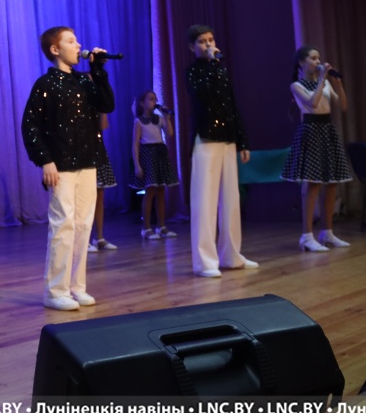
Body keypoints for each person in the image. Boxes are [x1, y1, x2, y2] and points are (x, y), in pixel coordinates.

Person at [22, 27, 115, 311]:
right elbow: (30, 125)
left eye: (77, 41)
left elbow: (107, 104)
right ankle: (55, 290)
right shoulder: (45, 84)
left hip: (87, 160)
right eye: (71, 41)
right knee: (63, 223)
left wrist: (98, 70)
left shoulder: (84, 81)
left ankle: (77, 287)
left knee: (83, 224)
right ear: (55, 49)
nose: (78, 45)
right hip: (60, 164)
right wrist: (45, 160)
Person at [185, 24, 258, 278]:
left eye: (211, 40)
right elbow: (203, 94)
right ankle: (205, 261)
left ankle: (231, 255)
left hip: (227, 138)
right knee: (205, 201)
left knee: (230, 200)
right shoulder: (193, 72)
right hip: (206, 137)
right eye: (202, 41)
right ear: (192, 47)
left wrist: (242, 141)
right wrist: (213, 65)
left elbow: (231, 105)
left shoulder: (221, 70)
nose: (208, 44)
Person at [280, 45, 353, 251]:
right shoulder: (296, 86)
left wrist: (338, 85)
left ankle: (327, 233)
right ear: (301, 63)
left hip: (327, 129)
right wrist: (322, 80)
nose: (318, 62)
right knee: (312, 183)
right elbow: (312, 104)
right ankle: (306, 236)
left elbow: (343, 106)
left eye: (319, 58)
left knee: (331, 182)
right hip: (311, 130)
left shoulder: (326, 83)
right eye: (313, 58)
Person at [129, 90, 179, 240]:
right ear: (142, 103)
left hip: (160, 154)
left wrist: (167, 117)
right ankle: (146, 228)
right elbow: (135, 144)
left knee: (161, 191)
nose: (154, 102)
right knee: (149, 191)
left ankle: (161, 227)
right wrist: (137, 165)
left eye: (155, 99)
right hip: (147, 154)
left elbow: (170, 133)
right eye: (150, 99)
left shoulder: (159, 119)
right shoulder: (139, 121)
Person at [88, 113, 118, 252]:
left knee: (100, 194)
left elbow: (103, 125)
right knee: (84, 199)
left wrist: (103, 110)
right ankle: (83, 240)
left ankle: (99, 238)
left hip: (97, 149)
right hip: (82, 151)